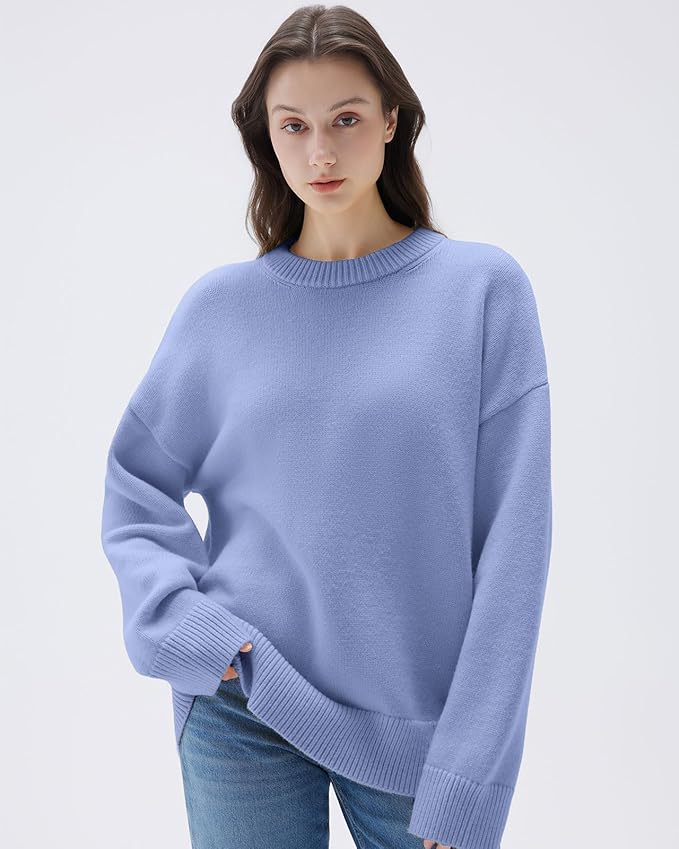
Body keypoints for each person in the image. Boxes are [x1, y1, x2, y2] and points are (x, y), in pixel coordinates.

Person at [100, 5, 552, 849]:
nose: (320, 152)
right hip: (243, 699)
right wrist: (188, 627)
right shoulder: (220, 309)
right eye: (294, 125)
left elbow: (513, 554)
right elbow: (136, 484)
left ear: (391, 119)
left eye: (345, 119)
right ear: (265, 137)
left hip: (416, 728)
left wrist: (470, 772)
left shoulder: (480, 294)